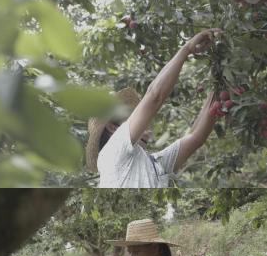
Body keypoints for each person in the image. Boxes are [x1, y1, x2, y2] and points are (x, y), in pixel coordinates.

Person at [86, 28, 221, 188]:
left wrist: (219, 80)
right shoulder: (110, 153)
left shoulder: (154, 164)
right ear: (113, 127)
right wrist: (186, 49)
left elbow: (196, 137)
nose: (146, 129)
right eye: (130, 118)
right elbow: (154, 96)